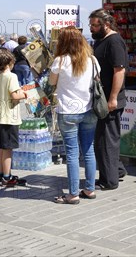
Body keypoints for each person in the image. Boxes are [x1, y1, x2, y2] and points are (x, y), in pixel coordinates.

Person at [49, 26, 99, 204]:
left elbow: (51, 82)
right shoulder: (92, 60)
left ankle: (72, 194)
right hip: (89, 110)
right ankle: (90, 189)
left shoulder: (60, 61)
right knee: (88, 150)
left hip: (68, 112)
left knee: (71, 153)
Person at [89, 9, 128, 191]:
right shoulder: (100, 41)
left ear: (106, 24)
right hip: (102, 99)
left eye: (95, 25)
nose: (91, 28)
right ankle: (117, 171)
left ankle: (109, 180)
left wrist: (113, 98)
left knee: (105, 141)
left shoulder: (114, 41)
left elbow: (119, 71)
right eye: (91, 25)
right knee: (106, 138)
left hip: (110, 100)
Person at [0, 48, 28, 187]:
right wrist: (24, 94)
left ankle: (1, 174)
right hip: (10, 117)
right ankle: (7, 176)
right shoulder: (11, 76)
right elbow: (14, 95)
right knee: (8, 149)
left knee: (2, 146)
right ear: (11, 62)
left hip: (1, 116)